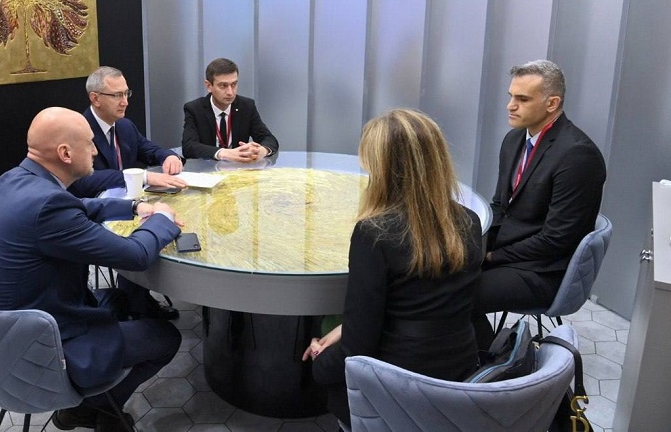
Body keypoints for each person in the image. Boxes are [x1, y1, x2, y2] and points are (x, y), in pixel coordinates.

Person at [0, 107, 183, 432]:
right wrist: (164, 218)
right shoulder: (48, 206)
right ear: (65, 153)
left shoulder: (13, 181)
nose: (96, 150)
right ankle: (92, 409)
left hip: (2, 337)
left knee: (122, 300)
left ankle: (93, 401)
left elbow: (79, 206)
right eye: (89, 143)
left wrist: (134, 206)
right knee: (166, 337)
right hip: (41, 347)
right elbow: (135, 255)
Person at [303, 109, 483, 428]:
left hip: (395, 394)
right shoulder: (468, 222)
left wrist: (318, 364)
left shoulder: (374, 234)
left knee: (320, 374)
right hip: (459, 383)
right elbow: (420, 304)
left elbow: (358, 351)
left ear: (383, 170)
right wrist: (344, 330)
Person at [472, 60, 606, 349]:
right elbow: (500, 206)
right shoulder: (514, 139)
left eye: (522, 99)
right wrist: (472, 245)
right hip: (513, 253)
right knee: (439, 278)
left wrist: (492, 256)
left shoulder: (578, 155)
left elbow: (557, 240)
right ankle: (480, 354)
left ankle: (486, 362)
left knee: (452, 294)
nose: (510, 106)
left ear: (552, 103)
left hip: (543, 271)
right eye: (511, 96)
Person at [68, 66, 187, 199]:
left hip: (131, 201)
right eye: (117, 95)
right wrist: (142, 177)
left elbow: (149, 150)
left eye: (126, 93)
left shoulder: (125, 126)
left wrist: (169, 157)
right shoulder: (79, 131)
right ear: (95, 99)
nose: (125, 102)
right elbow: (82, 180)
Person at [181, 57, 279, 161]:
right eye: (223, 86)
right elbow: (189, 147)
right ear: (209, 86)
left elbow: (269, 138)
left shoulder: (246, 106)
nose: (230, 92)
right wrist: (223, 153)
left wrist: (261, 150)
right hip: (207, 168)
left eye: (234, 84)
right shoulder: (195, 109)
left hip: (239, 168)